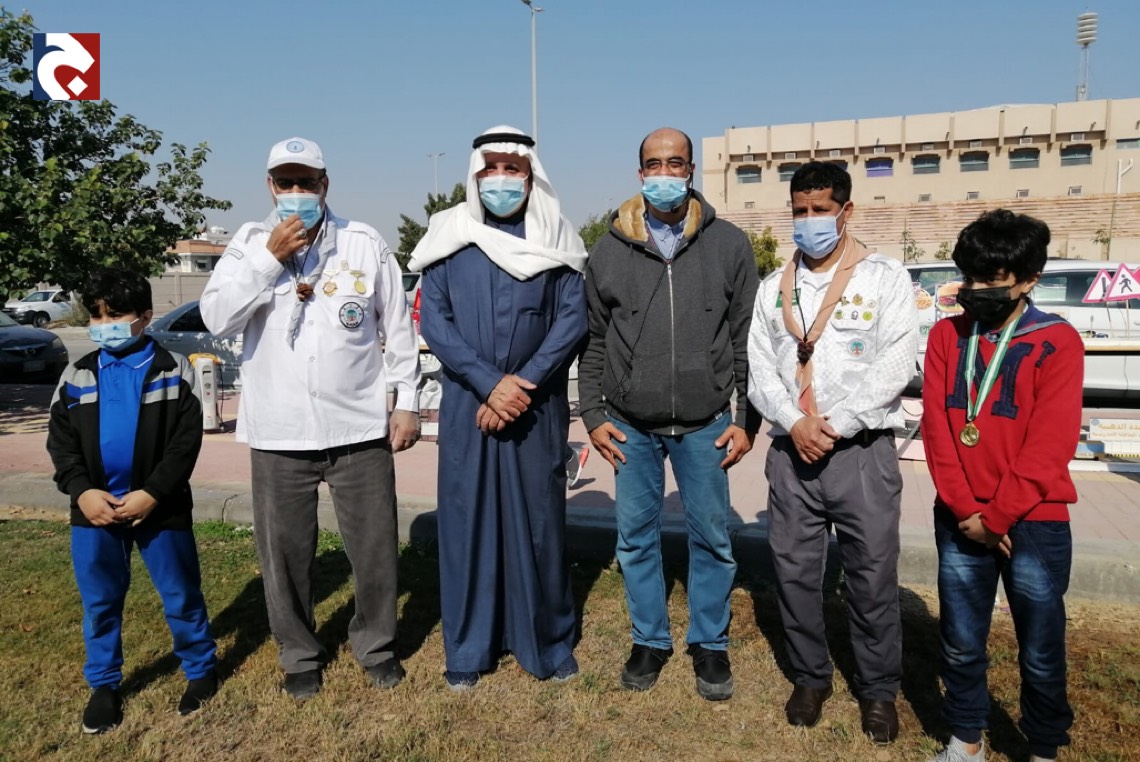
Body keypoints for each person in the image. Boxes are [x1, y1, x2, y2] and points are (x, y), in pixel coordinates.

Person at [200, 137, 421, 700]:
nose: (296, 192)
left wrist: (407, 402)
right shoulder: (248, 243)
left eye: (307, 182)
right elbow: (217, 318)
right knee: (284, 554)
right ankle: (299, 654)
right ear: (270, 187)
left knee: (374, 548)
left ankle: (376, 645)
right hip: (279, 429)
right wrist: (269, 258)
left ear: (325, 185)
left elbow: (397, 328)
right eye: (286, 182)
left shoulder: (363, 242)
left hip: (359, 426)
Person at [578, 127, 759, 701]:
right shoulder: (609, 250)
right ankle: (649, 640)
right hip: (630, 424)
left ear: (691, 170)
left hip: (706, 423)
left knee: (712, 538)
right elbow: (594, 340)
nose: (664, 173)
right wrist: (591, 413)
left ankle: (710, 643)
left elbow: (745, 339)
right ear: (640, 174)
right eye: (653, 164)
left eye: (674, 163)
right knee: (635, 538)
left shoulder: (728, 244)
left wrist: (745, 419)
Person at [409, 125, 587, 691]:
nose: (502, 179)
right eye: (492, 168)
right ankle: (468, 647)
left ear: (532, 177)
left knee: (539, 523)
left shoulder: (557, 236)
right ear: (475, 174)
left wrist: (520, 385)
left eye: (514, 169)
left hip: (535, 406)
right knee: (468, 522)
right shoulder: (448, 235)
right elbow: (435, 321)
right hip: (469, 404)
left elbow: (572, 320)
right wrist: (489, 384)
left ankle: (546, 641)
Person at [747, 161, 918, 743]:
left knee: (871, 576)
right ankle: (810, 675)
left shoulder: (884, 277)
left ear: (846, 211)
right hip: (792, 452)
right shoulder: (773, 288)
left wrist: (835, 425)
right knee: (795, 573)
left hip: (860, 452)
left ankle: (878, 689)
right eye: (799, 210)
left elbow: (896, 363)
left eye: (820, 210)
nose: (809, 220)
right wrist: (795, 422)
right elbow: (760, 371)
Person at [921, 210, 1080, 762]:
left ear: (1029, 279)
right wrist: (967, 510)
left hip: (1035, 519)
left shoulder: (1057, 341)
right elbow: (938, 431)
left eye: (992, 279)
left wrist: (997, 517)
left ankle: (1042, 747)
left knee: (1040, 646)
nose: (977, 290)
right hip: (960, 517)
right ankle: (966, 739)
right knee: (961, 641)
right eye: (970, 277)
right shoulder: (947, 335)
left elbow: (1051, 444)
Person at [46, 267, 217, 734]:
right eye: (97, 316)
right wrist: (82, 492)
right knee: (100, 601)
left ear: (144, 316)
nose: (105, 325)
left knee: (180, 593)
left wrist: (152, 493)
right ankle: (104, 685)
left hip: (161, 508)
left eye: (116, 316)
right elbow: (61, 443)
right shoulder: (77, 373)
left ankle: (200, 669)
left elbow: (185, 443)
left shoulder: (173, 369)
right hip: (94, 513)